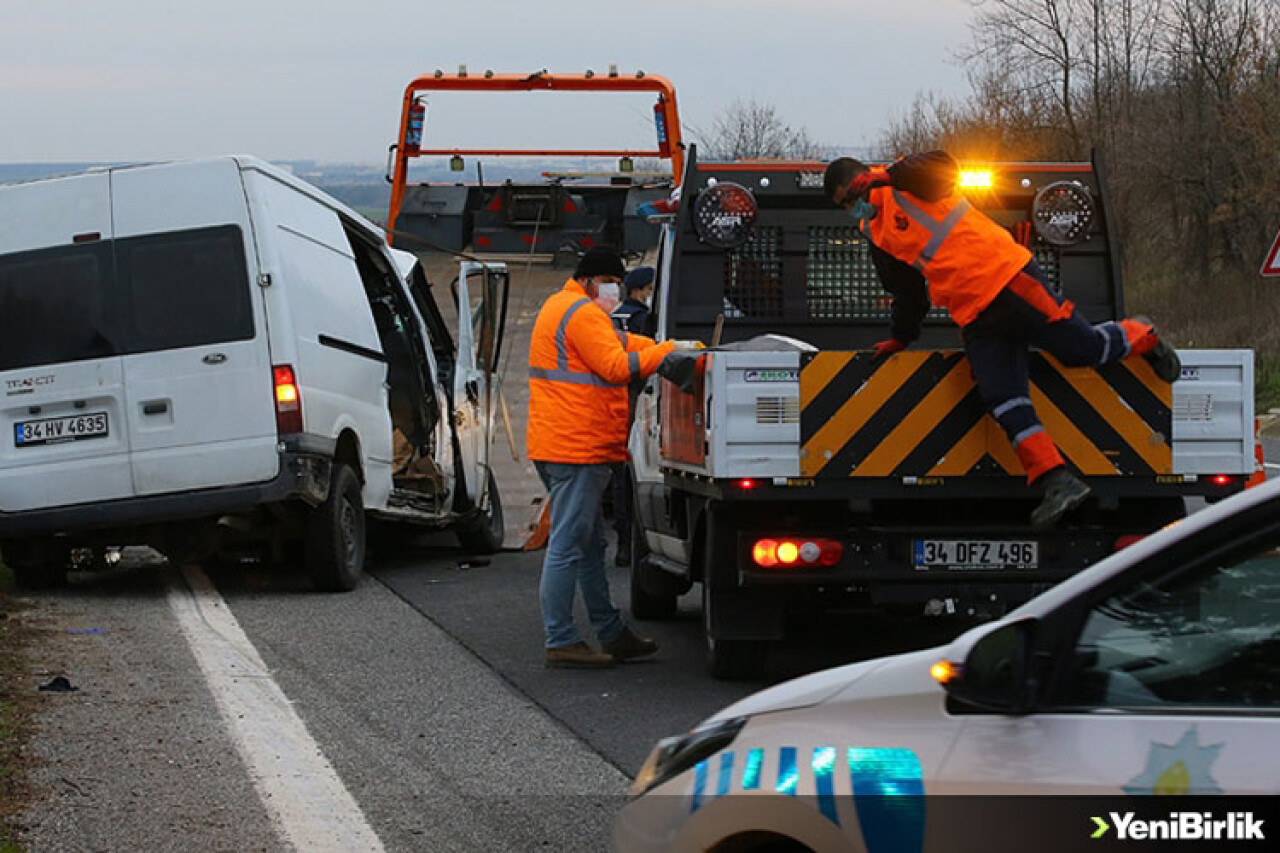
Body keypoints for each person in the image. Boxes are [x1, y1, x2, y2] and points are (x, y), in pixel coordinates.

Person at [824, 152, 1182, 529]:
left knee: (1083, 350)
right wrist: (901, 337)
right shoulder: (876, 235)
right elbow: (909, 294)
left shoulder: (907, 182)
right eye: (844, 205)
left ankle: (1144, 334)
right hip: (974, 313)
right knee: (1001, 395)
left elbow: (945, 169)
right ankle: (1056, 480)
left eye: (851, 197)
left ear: (863, 179)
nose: (852, 208)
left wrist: (887, 176)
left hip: (1008, 278)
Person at [527, 247, 701, 668]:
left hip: (561, 443)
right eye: (611, 283)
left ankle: (610, 632)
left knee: (587, 546)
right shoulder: (582, 312)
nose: (614, 291)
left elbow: (620, 342)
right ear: (591, 281)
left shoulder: (562, 307)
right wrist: (666, 356)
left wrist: (665, 344)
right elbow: (614, 365)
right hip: (578, 447)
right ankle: (561, 638)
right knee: (569, 545)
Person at [608, 266, 656, 567]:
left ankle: (622, 542)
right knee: (634, 471)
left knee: (617, 476)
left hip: (612, 400)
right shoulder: (643, 319)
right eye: (650, 289)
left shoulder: (611, 317)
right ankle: (634, 542)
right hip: (636, 398)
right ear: (640, 291)